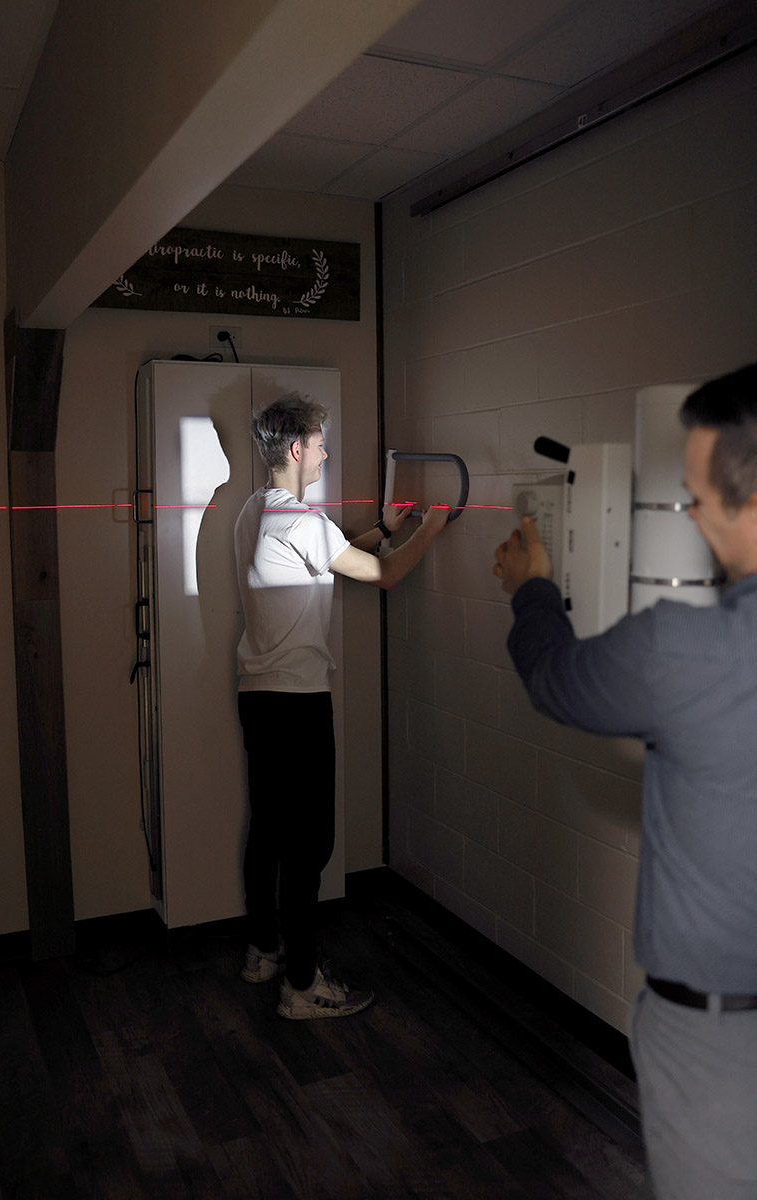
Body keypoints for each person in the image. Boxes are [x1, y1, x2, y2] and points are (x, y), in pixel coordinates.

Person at [492, 360, 757, 1199]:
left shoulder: (681, 650)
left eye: (695, 500)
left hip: (720, 1042)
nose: (687, 514)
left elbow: (555, 678)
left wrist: (531, 587)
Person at [235, 393, 449, 1020]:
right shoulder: (304, 520)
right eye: (321, 442)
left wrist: (384, 529)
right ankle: (303, 989)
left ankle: (263, 950)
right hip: (298, 705)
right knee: (309, 846)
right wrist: (430, 529)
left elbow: (329, 556)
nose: (326, 452)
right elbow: (381, 576)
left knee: (270, 830)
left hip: (257, 696)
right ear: (298, 448)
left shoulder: (256, 511)